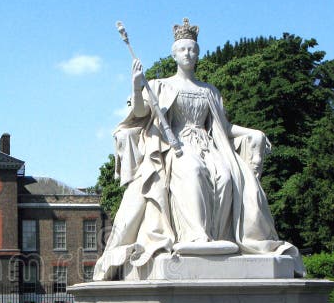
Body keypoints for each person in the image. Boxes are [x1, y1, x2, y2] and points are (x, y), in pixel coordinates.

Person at [94, 19, 303, 280]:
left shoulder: (209, 91)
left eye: (192, 50)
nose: (188, 54)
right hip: (175, 146)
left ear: (198, 54)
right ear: (174, 54)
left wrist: (253, 133)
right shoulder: (160, 86)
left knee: (225, 175)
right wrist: (137, 87)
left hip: (207, 144)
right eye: (183, 49)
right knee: (192, 171)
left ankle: (218, 236)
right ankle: (196, 236)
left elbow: (224, 127)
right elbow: (139, 113)